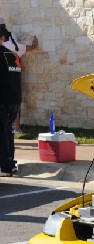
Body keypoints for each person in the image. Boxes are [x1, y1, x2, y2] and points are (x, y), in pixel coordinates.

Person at [0, 16, 38, 137]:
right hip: (15, 89)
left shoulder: (3, 50)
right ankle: (17, 128)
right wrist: (34, 43)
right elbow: (31, 47)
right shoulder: (15, 46)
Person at [0, 27, 22, 177]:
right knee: (8, 133)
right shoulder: (13, 54)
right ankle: (10, 163)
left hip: (2, 100)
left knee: (2, 134)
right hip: (14, 100)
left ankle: (6, 167)